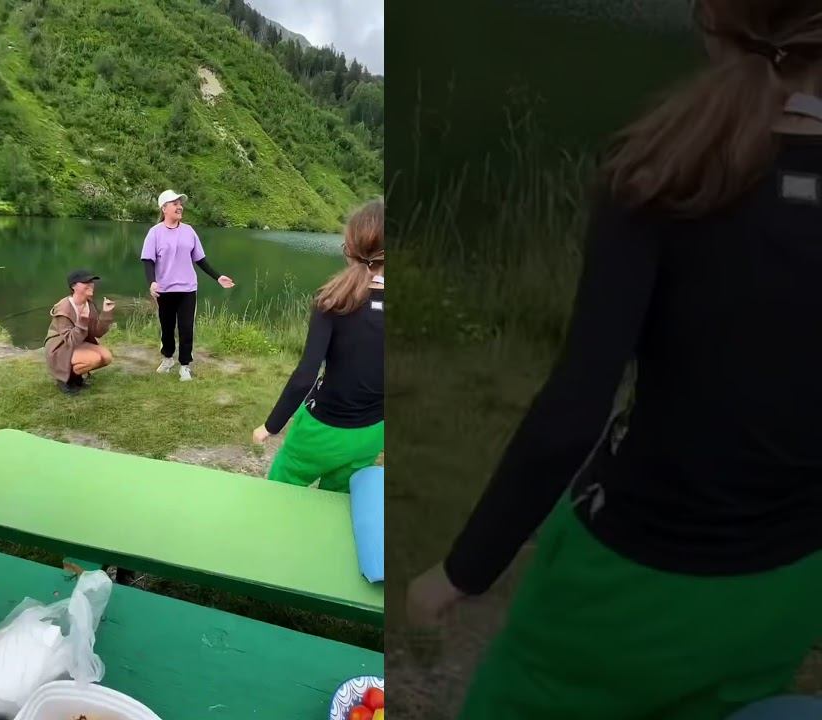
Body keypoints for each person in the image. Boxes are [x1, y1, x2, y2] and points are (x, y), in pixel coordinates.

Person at [407, 3, 822, 718]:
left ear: (711, 23)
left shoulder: (663, 171)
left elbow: (574, 411)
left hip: (629, 575)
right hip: (789, 578)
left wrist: (462, 571)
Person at [251, 201, 384, 492]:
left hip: (320, 431)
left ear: (349, 248)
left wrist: (271, 426)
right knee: (335, 503)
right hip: (373, 431)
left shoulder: (333, 301)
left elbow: (305, 376)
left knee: (280, 493)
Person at [140, 189, 235, 382]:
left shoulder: (189, 231)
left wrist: (217, 277)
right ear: (164, 208)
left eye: (180, 203)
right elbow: (148, 260)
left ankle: (184, 366)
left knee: (186, 328)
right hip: (164, 290)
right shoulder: (155, 233)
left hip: (187, 289)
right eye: (174, 204)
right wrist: (152, 282)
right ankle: (167, 359)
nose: (179, 207)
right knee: (167, 328)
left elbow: (200, 260)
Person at [44, 269, 114, 395]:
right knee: (94, 359)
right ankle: (65, 379)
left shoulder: (89, 304)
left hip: (78, 343)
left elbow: (97, 332)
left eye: (91, 281)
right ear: (73, 286)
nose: (91, 284)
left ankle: (76, 377)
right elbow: (70, 341)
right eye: (86, 282)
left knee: (106, 357)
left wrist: (106, 313)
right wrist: (82, 320)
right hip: (60, 347)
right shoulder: (63, 308)